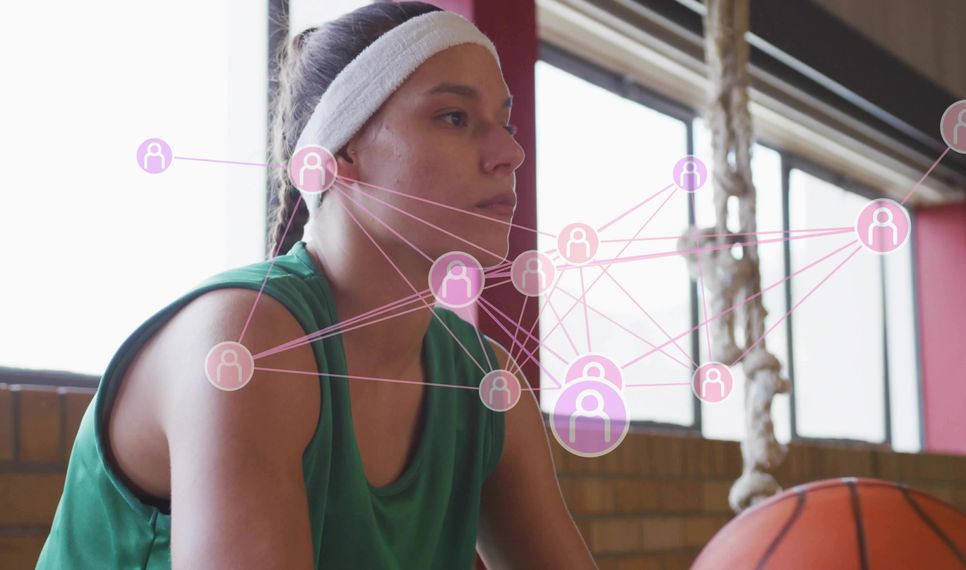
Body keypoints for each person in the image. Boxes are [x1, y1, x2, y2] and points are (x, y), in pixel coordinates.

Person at [37, 3, 597, 569]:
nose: (511, 152)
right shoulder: (247, 345)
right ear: (341, 154)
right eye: (454, 116)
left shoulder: (486, 384)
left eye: (507, 123)